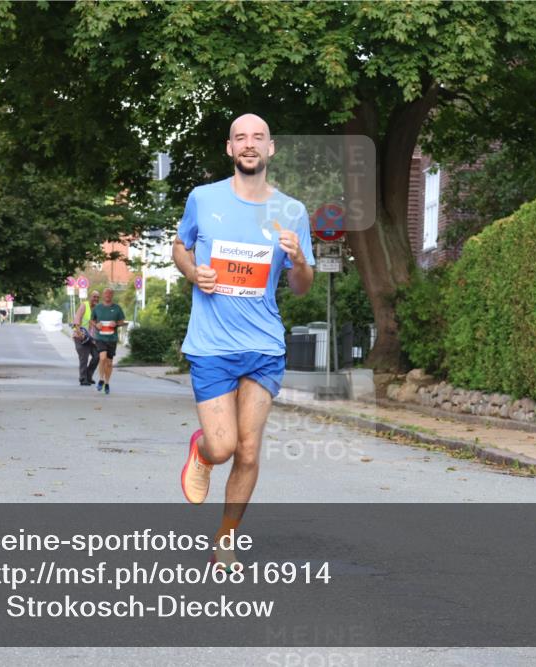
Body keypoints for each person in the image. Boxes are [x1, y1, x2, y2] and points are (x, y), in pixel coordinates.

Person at [173, 114, 314, 570]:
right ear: (229, 149)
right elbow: (180, 246)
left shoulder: (292, 212)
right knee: (223, 447)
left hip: (264, 346)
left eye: (258, 138)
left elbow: (300, 287)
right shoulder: (203, 198)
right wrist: (195, 272)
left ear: (271, 148)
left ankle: (225, 540)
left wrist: (297, 260)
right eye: (241, 138)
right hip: (212, 345)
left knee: (249, 450)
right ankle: (202, 451)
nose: (249, 145)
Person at [89, 287, 126, 395]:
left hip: (112, 338)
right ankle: (101, 379)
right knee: (102, 358)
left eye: (110, 293)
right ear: (103, 295)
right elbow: (91, 320)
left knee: (109, 363)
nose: (107, 295)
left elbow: (122, 321)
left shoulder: (117, 308)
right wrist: (96, 325)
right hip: (100, 338)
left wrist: (117, 324)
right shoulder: (98, 308)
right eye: (106, 293)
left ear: (112, 295)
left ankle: (107, 382)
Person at [73, 291, 100, 386]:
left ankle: (89, 375)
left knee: (97, 356)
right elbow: (77, 319)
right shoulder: (84, 306)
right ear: (90, 297)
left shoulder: (97, 309)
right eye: (94, 297)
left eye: (97, 297)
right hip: (80, 336)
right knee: (84, 358)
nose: (96, 299)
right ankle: (83, 379)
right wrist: (79, 333)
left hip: (91, 338)